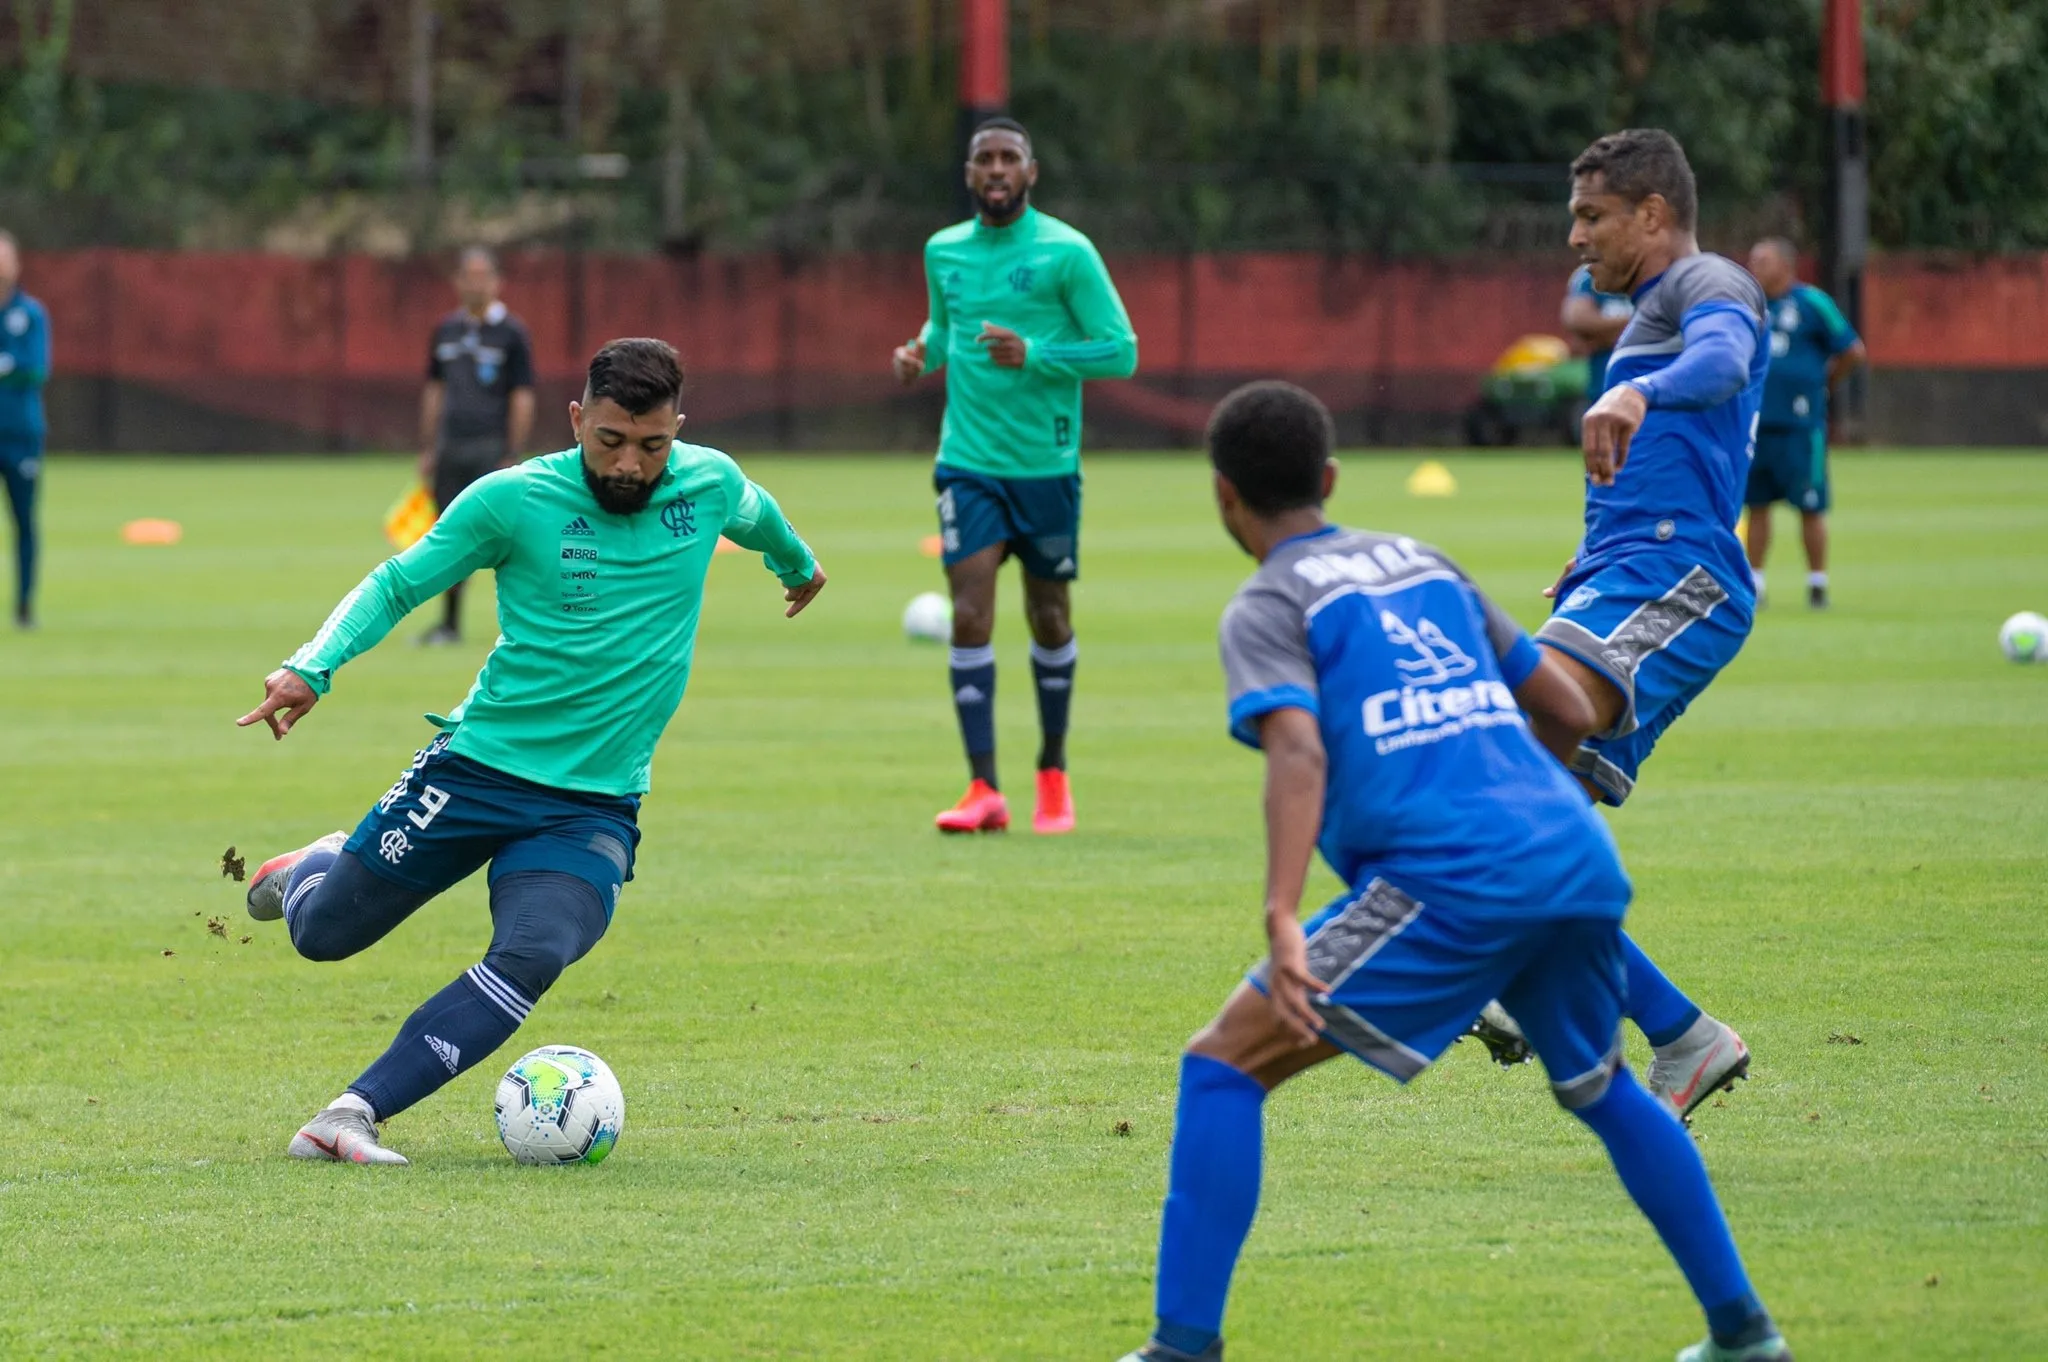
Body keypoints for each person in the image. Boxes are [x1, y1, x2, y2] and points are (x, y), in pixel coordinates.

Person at [1118, 381, 1791, 1362]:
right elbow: (1564, 705)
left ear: (1224, 497)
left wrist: (1278, 910)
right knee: (1601, 1085)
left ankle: (1181, 1349)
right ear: (1331, 478)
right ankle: (1742, 1333)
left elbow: (1297, 754)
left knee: (1222, 1064)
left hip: (1450, 877)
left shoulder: (1267, 603)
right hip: (1567, 852)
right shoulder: (1421, 560)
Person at [230, 339, 826, 1165]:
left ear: (678, 432)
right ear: (576, 418)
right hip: (474, 771)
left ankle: (348, 1115)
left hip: (592, 803)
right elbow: (399, 583)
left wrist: (799, 565)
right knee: (324, 936)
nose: (629, 464)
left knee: (536, 951)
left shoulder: (708, 482)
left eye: (652, 446)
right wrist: (311, 667)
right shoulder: (512, 500)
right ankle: (309, 870)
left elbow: (761, 516)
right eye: (610, 440)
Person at [1471, 130, 1768, 1123]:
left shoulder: (1704, 282)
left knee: (1495, 756)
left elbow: (1725, 358)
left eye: (1590, 215)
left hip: (1673, 574)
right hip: (1623, 572)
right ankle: (1681, 1034)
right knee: (1519, 839)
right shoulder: (1645, 312)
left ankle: (1513, 981)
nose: (1573, 238)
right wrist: (1585, 554)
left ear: (1650, 213)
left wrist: (1637, 387)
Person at [892, 116, 1138, 836]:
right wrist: (917, 355)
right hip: (967, 463)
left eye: (1009, 158)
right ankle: (983, 786)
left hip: (1047, 467)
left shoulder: (1068, 253)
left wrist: (1035, 353)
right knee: (970, 611)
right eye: (983, 159)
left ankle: (1053, 775)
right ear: (968, 175)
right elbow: (944, 331)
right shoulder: (944, 251)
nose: (996, 170)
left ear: (1031, 172)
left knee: (1049, 615)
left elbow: (1120, 351)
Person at [418, 245, 537, 645]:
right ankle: (449, 625)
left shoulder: (512, 333)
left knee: (507, 537)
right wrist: (430, 446)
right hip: (452, 447)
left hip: (491, 449)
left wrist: (511, 452)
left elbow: (522, 395)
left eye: (482, 275)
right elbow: (435, 389)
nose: (475, 283)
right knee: (449, 534)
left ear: (496, 281)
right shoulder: (446, 331)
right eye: (468, 275)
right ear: (457, 282)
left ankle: (530, 624)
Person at [1742, 237, 1866, 609]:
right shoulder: (1748, 307)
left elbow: (1852, 351)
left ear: (1785, 264)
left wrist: (1825, 381)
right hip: (1755, 423)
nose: (1755, 268)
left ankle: (1816, 583)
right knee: (1756, 504)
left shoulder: (1813, 302)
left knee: (1810, 505)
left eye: (1762, 261)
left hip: (1800, 426)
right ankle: (1756, 583)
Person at [0, 231, 50, 629]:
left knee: (24, 521)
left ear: (16, 264)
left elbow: (36, 368)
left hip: (20, 436)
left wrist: (9, 367)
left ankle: (24, 605)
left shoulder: (30, 314)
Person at [1561, 260, 1635, 397]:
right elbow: (1578, 322)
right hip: (1603, 392)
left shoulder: (1660, 273)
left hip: (1653, 394)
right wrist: (1642, 324)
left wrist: (1604, 333)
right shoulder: (1589, 275)